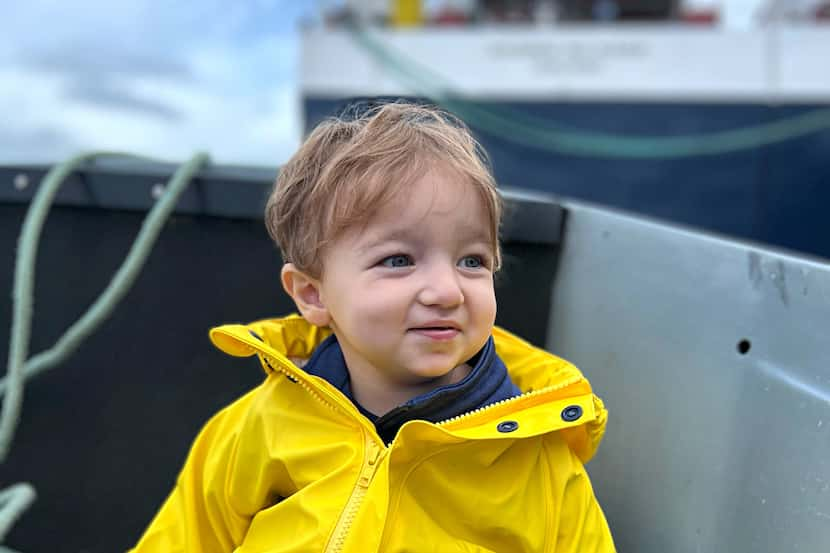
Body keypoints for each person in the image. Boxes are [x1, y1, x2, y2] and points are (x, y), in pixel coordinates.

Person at [131, 101, 615, 552]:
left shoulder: (541, 466)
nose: (447, 290)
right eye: (399, 260)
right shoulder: (256, 430)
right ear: (313, 294)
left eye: (472, 260)